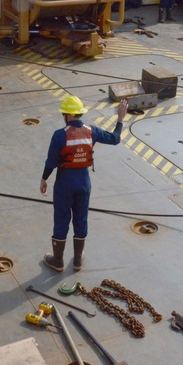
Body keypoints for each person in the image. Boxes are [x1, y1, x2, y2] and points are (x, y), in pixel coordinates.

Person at [39, 96, 128, 272]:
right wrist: (120, 119)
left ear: (67, 115)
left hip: (64, 183)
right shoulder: (91, 131)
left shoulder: (59, 135)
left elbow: (51, 162)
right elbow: (115, 138)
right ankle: (78, 260)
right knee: (81, 219)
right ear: (79, 114)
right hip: (83, 184)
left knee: (61, 219)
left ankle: (58, 261)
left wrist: (44, 179)